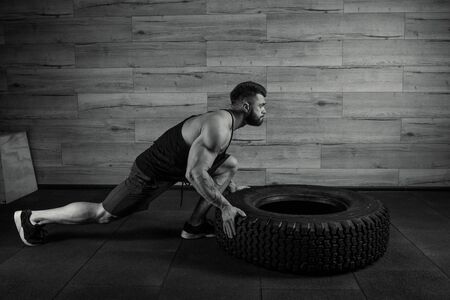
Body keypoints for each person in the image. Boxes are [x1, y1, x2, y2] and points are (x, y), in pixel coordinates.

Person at [14, 81, 267, 246]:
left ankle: (195, 225)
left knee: (229, 164)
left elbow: (209, 162)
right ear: (246, 106)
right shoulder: (218, 127)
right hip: (149, 174)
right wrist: (224, 206)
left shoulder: (225, 123)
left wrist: (230, 186)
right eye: (262, 105)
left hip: (171, 169)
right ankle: (33, 217)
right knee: (102, 214)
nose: (265, 110)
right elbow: (195, 173)